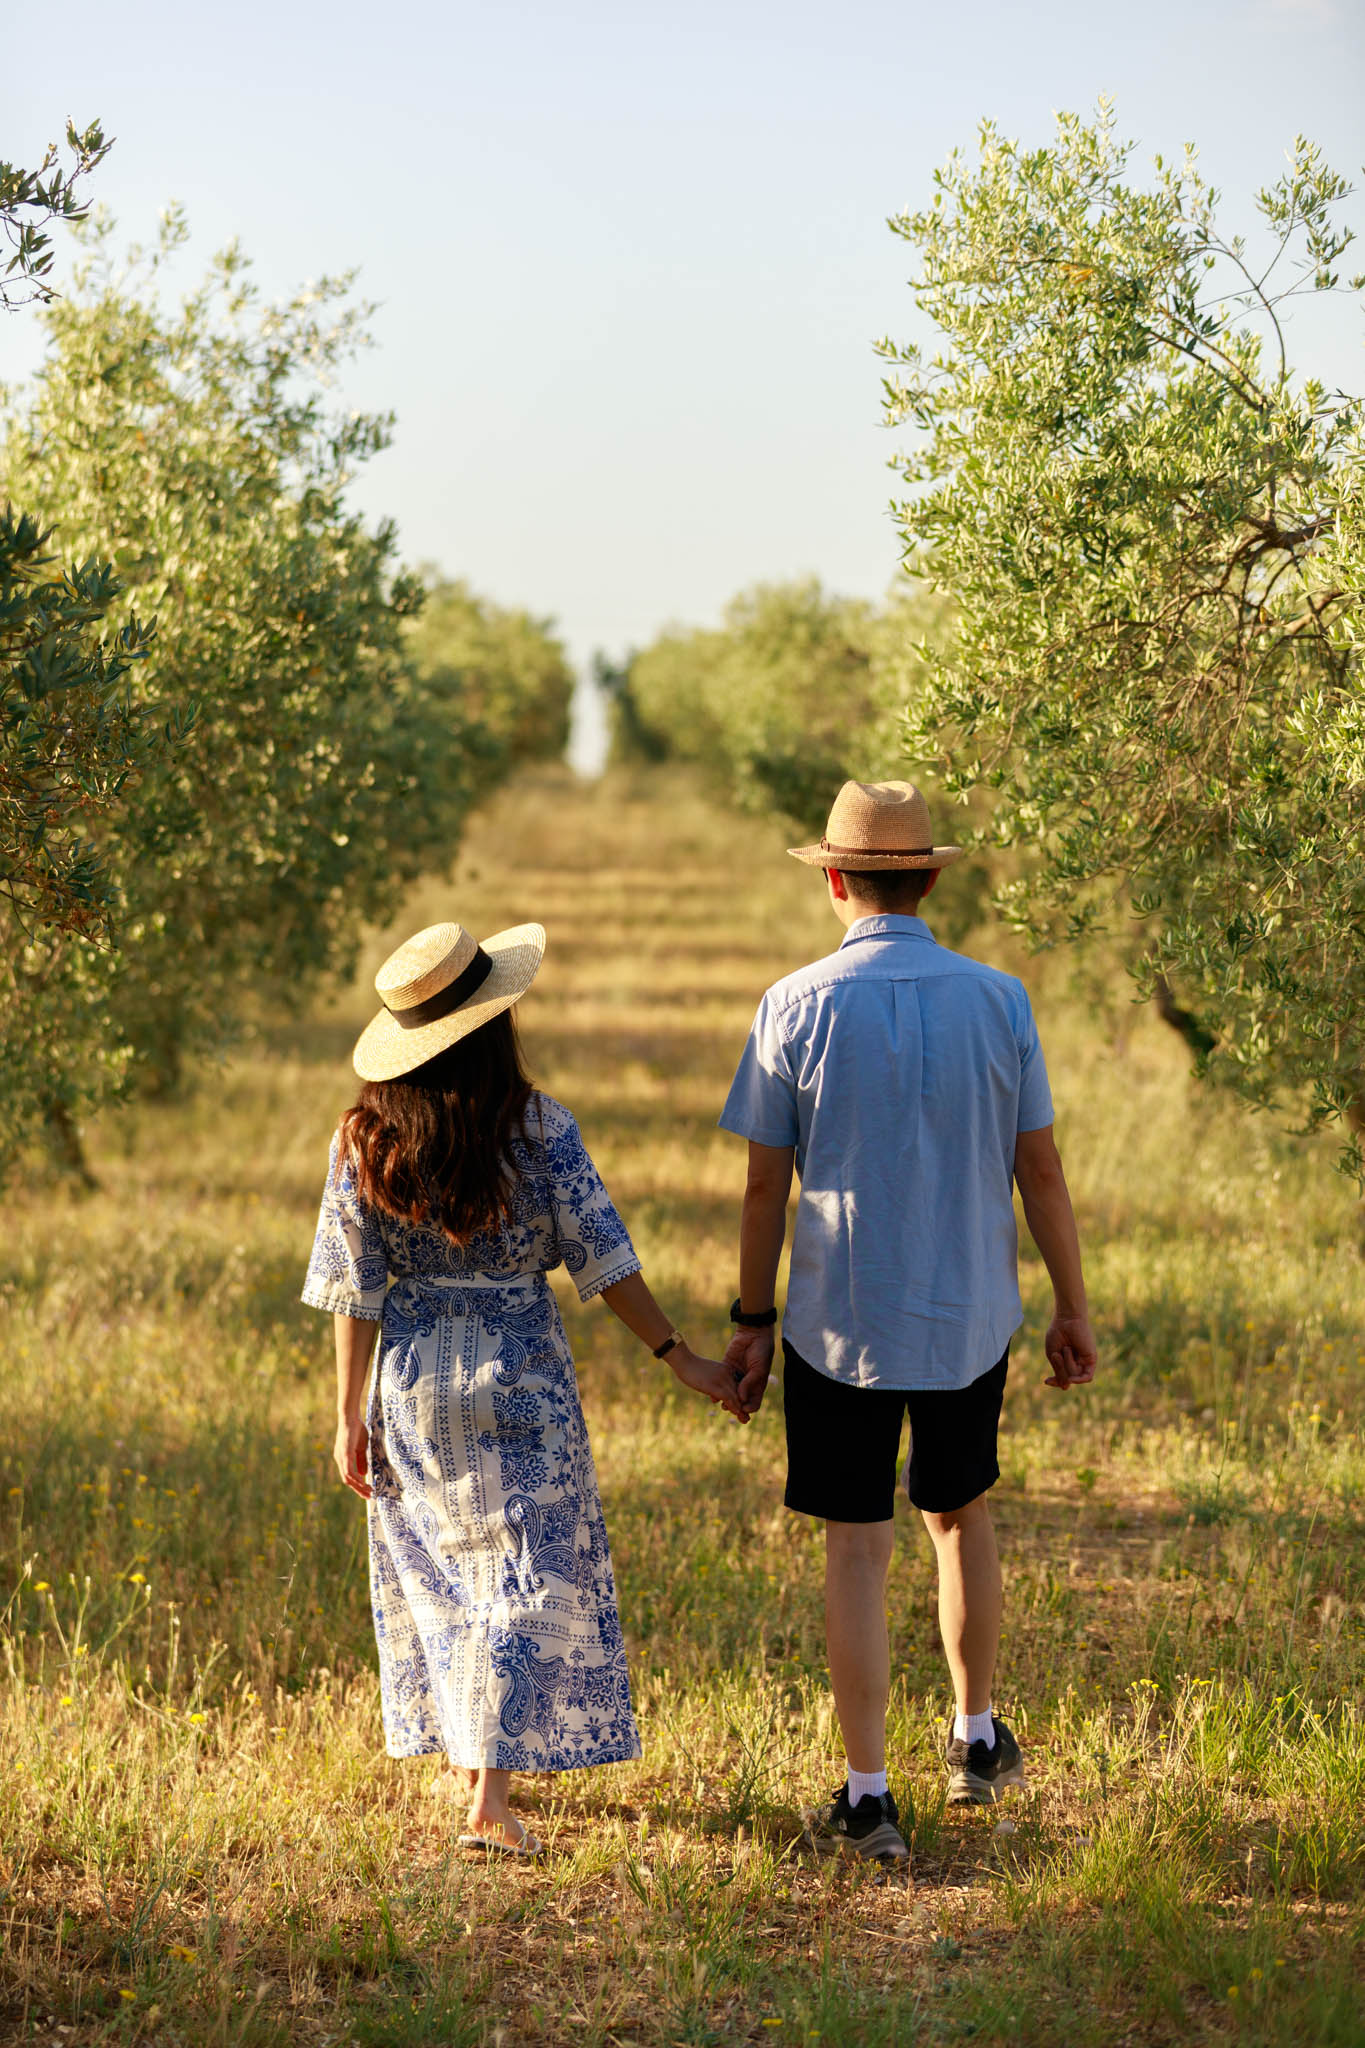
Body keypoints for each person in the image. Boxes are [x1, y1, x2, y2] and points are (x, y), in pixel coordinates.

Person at [303, 915, 746, 1858]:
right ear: (496, 1022)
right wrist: (680, 1356)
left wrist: (346, 1412)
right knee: (522, 1572)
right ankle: (489, 1798)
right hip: (520, 1369)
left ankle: (473, 1760)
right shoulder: (540, 1127)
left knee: (442, 1568)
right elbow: (603, 1258)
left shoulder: (363, 1137)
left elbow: (354, 1285)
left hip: (412, 1376)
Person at [719, 780, 1097, 1863]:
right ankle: (976, 1739)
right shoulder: (1001, 1000)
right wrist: (1071, 1305)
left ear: (835, 881)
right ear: (928, 880)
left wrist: (752, 1318)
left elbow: (763, 1187)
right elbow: (1040, 1170)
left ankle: (868, 1796)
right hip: (968, 1313)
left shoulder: (794, 1004)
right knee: (959, 1514)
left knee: (857, 1546)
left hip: (839, 1321)